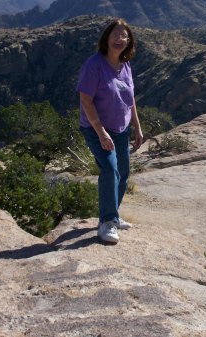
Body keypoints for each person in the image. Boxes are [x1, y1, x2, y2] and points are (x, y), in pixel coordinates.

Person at [76, 19, 143, 243]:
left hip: (121, 129)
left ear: (129, 42)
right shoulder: (94, 65)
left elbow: (130, 99)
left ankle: (112, 215)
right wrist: (101, 132)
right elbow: (86, 100)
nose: (120, 39)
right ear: (106, 38)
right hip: (96, 129)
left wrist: (137, 127)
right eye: (115, 35)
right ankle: (106, 223)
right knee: (110, 169)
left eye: (124, 36)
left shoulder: (125, 65)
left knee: (123, 172)